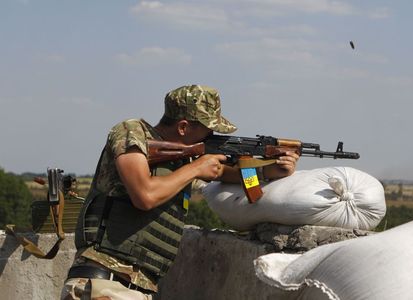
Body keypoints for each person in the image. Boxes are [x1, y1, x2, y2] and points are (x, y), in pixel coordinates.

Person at [60, 84, 299, 299]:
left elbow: (225, 172)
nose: (213, 137)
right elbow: (145, 195)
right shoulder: (132, 132)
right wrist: (196, 167)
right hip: (104, 282)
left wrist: (272, 170)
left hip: (137, 288)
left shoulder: (182, 163)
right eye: (209, 130)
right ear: (183, 127)